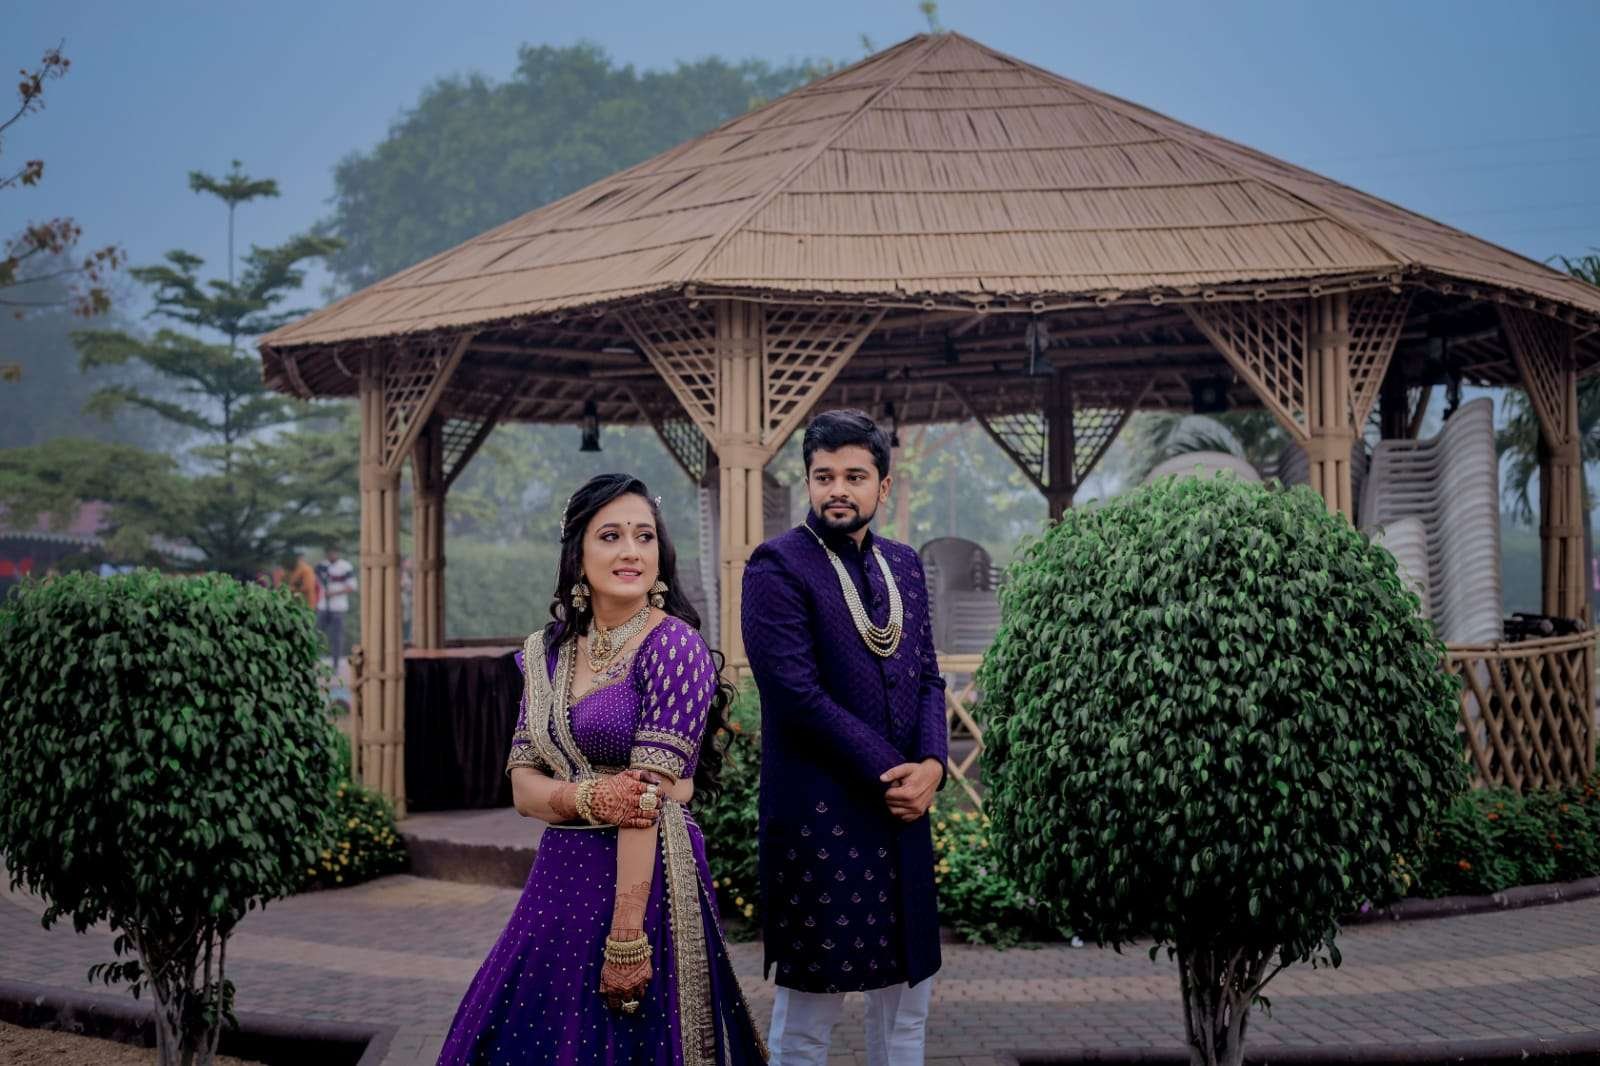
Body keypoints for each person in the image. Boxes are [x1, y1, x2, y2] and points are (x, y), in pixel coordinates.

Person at [439, 473, 767, 1065]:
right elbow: (522, 788)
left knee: (626, 1038)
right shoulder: (547, 653)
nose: (630, 551)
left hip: (645, 878)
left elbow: (645, 803)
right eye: (610, 536)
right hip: (560, 874)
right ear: (578, 554)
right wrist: (590, 797)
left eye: (644, 536)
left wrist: (626, 935)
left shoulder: (673, 647)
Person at [742, 409, 947, 1066]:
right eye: (824, 475)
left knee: (906, 1014)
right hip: (819, 820)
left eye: (854, 476)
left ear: (882, 486)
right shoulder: (777, 565)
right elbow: (795, 696)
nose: (838, 489)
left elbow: (929, 677)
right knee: (809, 1020)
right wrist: (900, 773)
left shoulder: (904, 565)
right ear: (808, 481)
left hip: (902, 816)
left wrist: (934, 765)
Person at [317, 545, 356, 673]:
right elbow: (316, 582)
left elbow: (352, 586)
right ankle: (314, 661)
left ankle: (335, 665)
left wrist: (333, 593)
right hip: (323, 605)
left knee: (336, 637)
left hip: (338, 607)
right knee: (318, 634)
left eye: (334, 552)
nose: (331, 554)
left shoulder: (345, 566)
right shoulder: (321, 566)